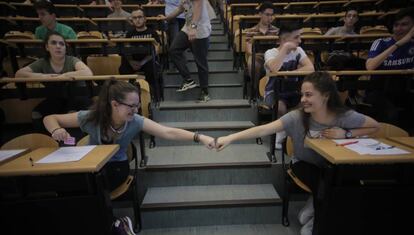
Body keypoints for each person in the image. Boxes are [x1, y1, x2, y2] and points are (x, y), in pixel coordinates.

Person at [216, 71, 380, 235]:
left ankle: (318, 210)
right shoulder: (296, 117)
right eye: (302, 95)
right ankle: (317, 223)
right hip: (303, 164)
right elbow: (264, 129)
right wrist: (231, 137)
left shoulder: (343, 116)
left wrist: (346, 134)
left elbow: (375, 127)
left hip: (332, 165)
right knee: (324, 184)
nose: (302, 100)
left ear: (325, 96)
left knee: (351, 184)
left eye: (308, 95)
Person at [15, 31, 93, 131]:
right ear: (47, 47)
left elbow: (88, 72)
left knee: (71, 112)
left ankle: (72, 142)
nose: (58, 46)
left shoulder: (72, 60)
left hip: (77, 96)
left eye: (61, 44)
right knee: (37, 114)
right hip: (56, 98)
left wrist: (64, 76)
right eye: (54, 43)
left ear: (65, 48)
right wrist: (43, 76)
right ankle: (48, 141)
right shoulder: (42, 62)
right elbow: (19, 74)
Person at [264, 24, 314, 148]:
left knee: (309, 104)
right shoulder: (270, 53)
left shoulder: (298, 51)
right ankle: (280, 136)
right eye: (296, 37)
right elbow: (274, 68)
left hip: (293, 91)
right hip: (274, 92)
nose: (300, 40)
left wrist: (289, 73)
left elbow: (310, 68)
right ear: (285, 40)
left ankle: (290, 135)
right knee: (281, 107)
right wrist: (285, 49)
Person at [365, 7, 414, 125]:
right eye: (396, 25)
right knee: (390, 115)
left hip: (406, 90)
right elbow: (370, 66)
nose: (399, 28)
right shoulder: (381, 43)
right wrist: (398, 44)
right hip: (379, 91)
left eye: (404, 24)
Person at [164, 0, 213, 102]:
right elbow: (181, 8)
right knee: (174, 50)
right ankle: (188, 79)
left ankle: (205, 92)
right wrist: (166, 18)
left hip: (200, 28)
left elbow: (198, 6)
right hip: (188, 26)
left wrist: (193, 27)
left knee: (200, 61)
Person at [119, 8, 161, 89]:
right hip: (133, 61)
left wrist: (142, 62)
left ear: (145, 19)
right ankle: (129, 90)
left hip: (147, 61)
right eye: (134, 18)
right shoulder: (129, 34)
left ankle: (149, 91)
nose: (137, 20)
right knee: (123, 66)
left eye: (140, 17)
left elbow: (157, 50)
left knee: (151, 67)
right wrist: (131, 62)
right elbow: (126, 49)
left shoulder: (152, 32)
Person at [244, 1, 279, 83]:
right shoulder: (251, 31)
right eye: (267, 14)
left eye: (271, 15)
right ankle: (255, 90)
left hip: (273, 57)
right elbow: (248, 49)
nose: (270, 18)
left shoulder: (277, 31)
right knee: (252, 64)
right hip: (258, 57)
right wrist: (254, 55)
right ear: (260, 14)